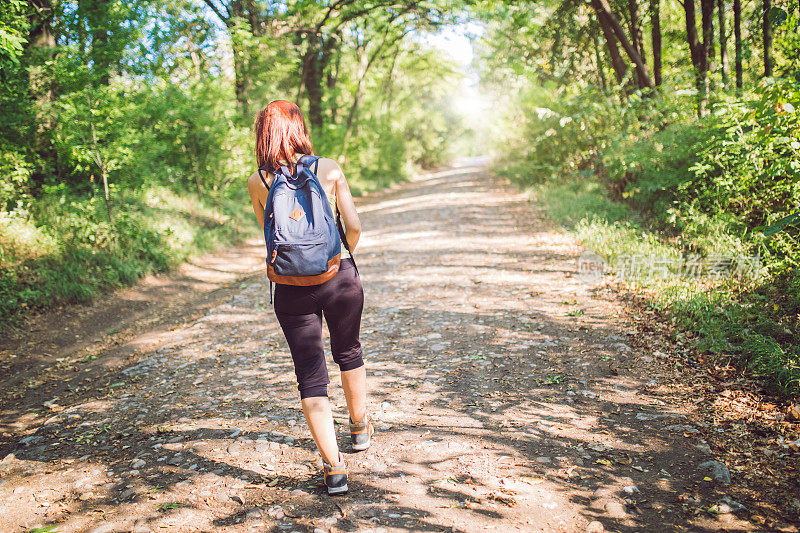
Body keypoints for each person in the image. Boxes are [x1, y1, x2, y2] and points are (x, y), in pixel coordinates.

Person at [247, 100, 373, 495]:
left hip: (290, 289)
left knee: (309, 373)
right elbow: (352, 226)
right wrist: (339, 257)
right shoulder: (329, 168)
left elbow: (272, 237)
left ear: (263, 135)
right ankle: (359, 428)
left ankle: (334, 469)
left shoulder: (258, 182)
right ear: (299, 127)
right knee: (348, 351)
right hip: (339, 277)